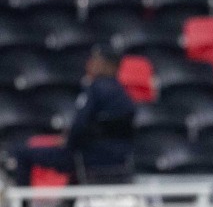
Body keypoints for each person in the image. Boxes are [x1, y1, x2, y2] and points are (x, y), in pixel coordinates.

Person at [3, 44, 136, 186]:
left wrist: (68, 141)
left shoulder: (96, 88)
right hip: (119, 160)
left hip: (86, 157)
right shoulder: (123, 94)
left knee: (22, 153)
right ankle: (68, 204)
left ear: (107, 65)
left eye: (95, 60)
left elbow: (80, 126)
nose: (90, 64)